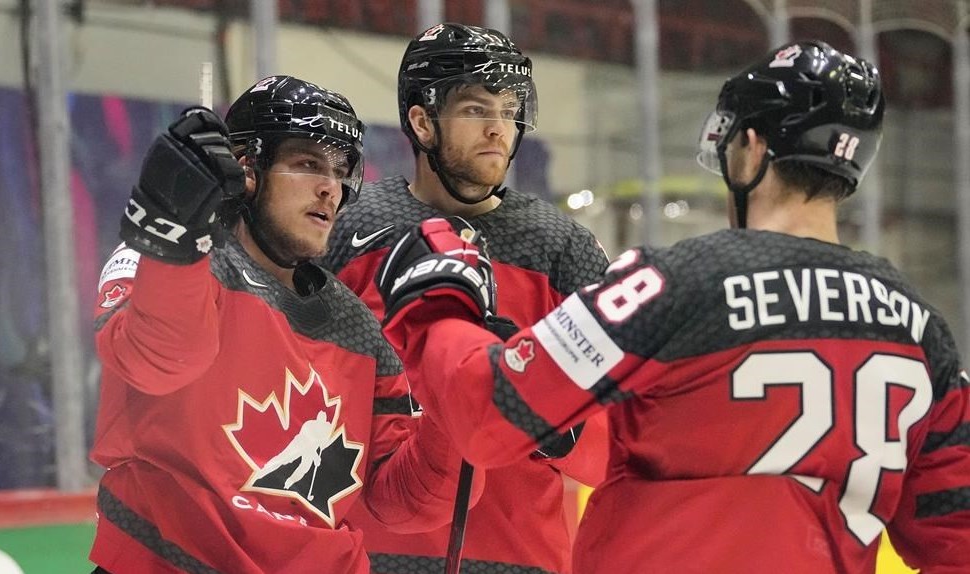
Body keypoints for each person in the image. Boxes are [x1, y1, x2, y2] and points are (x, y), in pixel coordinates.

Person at [372, 41, 970, 573]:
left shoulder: (678, 284)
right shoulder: (918, 326)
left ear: (751, 147)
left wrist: (439, 309)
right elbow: (956, 538)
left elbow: (490, 411)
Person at [88, 75, 472, 573]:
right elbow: (158, 361)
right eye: (308, 163)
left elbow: (404, 502)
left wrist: (457, 398)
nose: (330, 187)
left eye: (340, 170)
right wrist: (173, 239)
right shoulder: (172, 259)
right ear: (248, 168)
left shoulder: (356, 326)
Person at [319, 22, 610, 574]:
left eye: (508, 109)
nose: (499, 128)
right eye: (478, 110)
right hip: (368, 555)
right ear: (422, 121)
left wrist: (550, 417)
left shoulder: (562, 249)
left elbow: (623, 439)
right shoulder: (349, 233)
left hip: (521, 560)